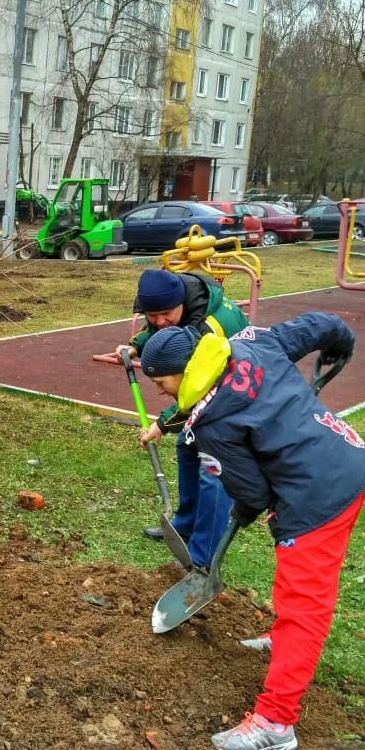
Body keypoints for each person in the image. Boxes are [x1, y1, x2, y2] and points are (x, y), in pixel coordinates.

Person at [138, 314, 363, 750]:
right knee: (295, 590)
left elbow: (255, 492)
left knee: (305, 607)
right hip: (346, 456)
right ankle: (281, 642)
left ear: (183, 371)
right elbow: (319, 326)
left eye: (160, 382)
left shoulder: (211, 423)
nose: (160, 391)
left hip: (316, 498)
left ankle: (276, 725)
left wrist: (245, 506)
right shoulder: (250, 342)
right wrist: (340, 343)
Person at [115, 268, 249, 568]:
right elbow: (163, 331)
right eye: (152, 315)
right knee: (187, 445)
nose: (159, 321)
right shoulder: (181, 300)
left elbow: (198, 393)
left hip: (237, 391)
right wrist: (137, 343)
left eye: (165, 313)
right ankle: (184, 525)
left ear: (181, 304)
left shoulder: (209, 330)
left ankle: (202, 557)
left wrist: (162, 424)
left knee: (214, 469)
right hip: (217, 385)